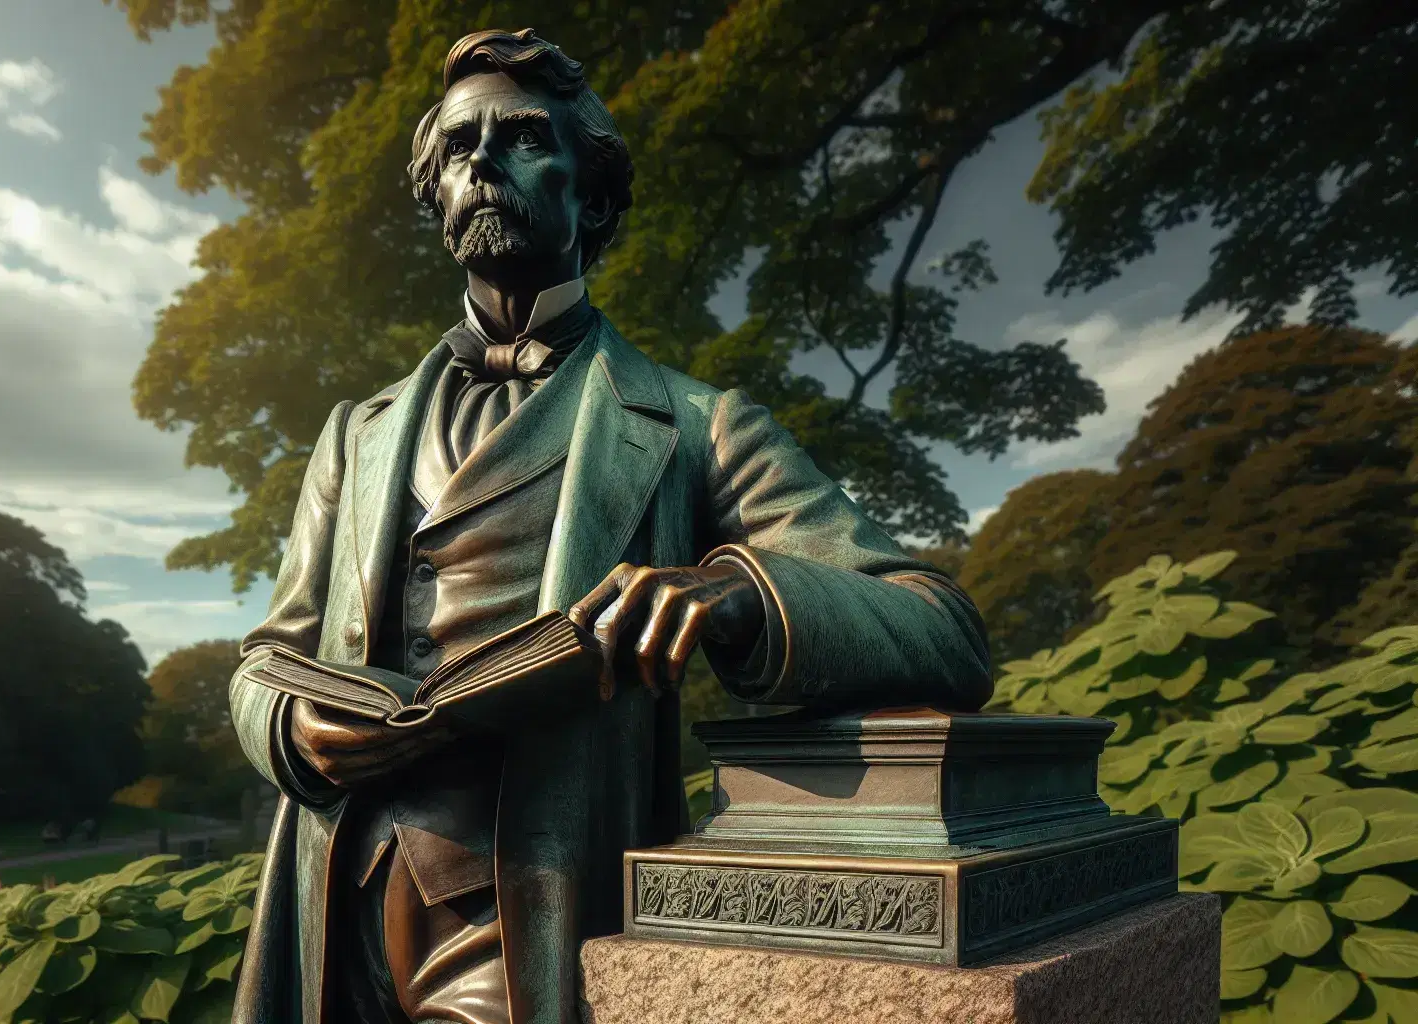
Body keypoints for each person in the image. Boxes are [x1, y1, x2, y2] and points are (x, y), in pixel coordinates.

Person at [225, 28, 993, 1024]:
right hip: (334, 904)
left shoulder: (693, 423)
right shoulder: (352, 435)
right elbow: (267, 658)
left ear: (592, 198)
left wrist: (737, 594)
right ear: (435, 201)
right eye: (457, 149)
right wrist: (287, 727)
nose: (482, 164)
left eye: (521, 139)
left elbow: (942, 627)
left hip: (530, 911)